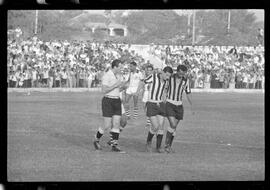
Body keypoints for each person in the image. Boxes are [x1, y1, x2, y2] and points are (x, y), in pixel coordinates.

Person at [93, 59, 129, 153]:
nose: (121, 69)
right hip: (108, 100)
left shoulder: (118, 75)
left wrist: (122, 87)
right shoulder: (107, 75)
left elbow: (116, 89)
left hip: (117, 100)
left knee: (116, 123)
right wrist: (116, 85)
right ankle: (96, 140)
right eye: (120, 67)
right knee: (107, 125)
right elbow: (104, 90)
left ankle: (114, 145)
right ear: (115, 67)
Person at [143, 66, 173, 153]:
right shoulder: (153, 77)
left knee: (161, 126)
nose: (167, 77)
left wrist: (165, 100)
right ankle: (148, 142)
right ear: (163, 72)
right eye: (166, 75)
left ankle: (158, 147)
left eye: (169, 76)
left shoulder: (166, 81)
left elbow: (164, 91)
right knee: (155, 126)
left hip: (160, 104)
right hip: (152, 104)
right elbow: (143, 82)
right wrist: (138, 93)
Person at [164, 65, 194, 153]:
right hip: (169, 103)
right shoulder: (170, 78)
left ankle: (169, 146)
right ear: (177, 71)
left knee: (174, 127)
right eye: (180, 73)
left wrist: (192, 105)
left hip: (179, 106)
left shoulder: (186, 81)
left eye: (183, 73)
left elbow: (188, 93)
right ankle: (166, 145)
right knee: (172, 124)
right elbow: (164, 88)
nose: (181, 75)